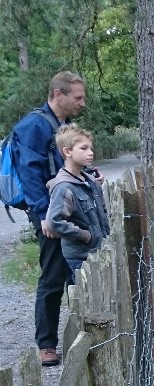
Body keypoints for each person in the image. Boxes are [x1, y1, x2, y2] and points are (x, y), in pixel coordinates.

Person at [10, 71, 102, 367]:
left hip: (68, 210)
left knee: (77, 270)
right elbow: (30, 173)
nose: (82, 103)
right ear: (57, 94)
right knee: (53, 275)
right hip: (50, 215)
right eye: (78, 97)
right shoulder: (33, 126)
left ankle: (82, 335)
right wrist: (43, 216)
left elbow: (64, 164)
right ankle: (46, 344)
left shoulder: (62, 126)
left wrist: (88, 175)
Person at [45, 125, 110, 281]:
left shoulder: (90, 181)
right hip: (81, 257)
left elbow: (102, 210)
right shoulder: (64, 187)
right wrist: (85, 236)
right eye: (84, 148)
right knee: (86, 299)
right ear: (67, 152)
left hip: (99, 251)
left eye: (91, 148)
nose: (91, 153)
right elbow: (55, 222)